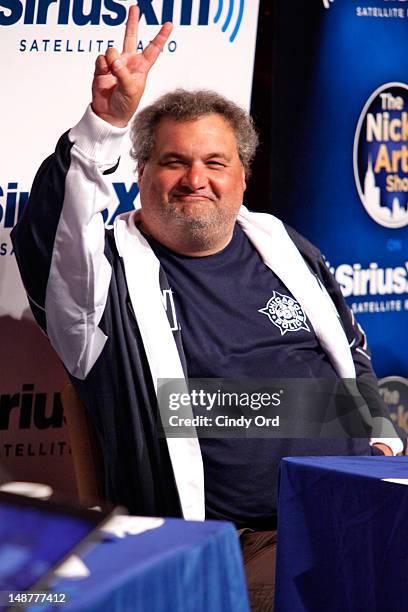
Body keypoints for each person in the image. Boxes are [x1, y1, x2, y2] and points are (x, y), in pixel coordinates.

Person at [11, 6, 402, 610]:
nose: (197, 179)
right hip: (244, 539)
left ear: (242, 176)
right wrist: (105, 124)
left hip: (359, 503)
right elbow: (53, 241)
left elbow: (350, 349)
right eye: (174, 161)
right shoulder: (106, 280)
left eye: (216, 162)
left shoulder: (281, 244)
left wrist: (375, 434)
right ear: (138, 172)